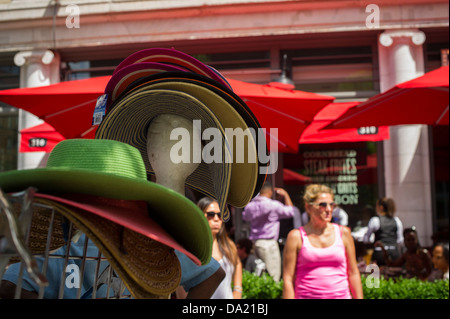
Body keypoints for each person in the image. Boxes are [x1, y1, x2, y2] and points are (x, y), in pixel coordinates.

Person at [283, 184, 363, 299]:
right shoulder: (296, 236)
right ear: (308, 207)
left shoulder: (344, 233)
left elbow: (353, 273)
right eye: (323, 205)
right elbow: (288, 278)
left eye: (332, 205)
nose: (329, 209)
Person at [242, 182, 294, 282]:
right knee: (273, 275)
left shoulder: (250, 206)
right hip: (269, 244)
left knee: (258, 274)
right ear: (270, 192)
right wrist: (285, 195)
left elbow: (245, 217)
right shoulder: (273, 205)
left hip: (254, 243)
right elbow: (291, 212)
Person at [196, 197, 242, 299]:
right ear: (200, 215)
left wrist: (237, 290)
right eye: (211, 214)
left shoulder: (228, 245)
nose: (216, 219)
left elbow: (237, 264)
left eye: (220, 215)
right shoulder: (193, 247)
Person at [363, 197, 404, 265]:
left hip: (379, 254)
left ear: (381, 207)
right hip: (394, 252)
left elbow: (366, 239)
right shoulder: (397, 221)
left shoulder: (375, 220)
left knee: (377, 274)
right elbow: (400, 241)